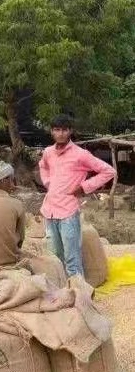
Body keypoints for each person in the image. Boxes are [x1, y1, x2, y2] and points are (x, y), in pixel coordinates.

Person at [39, 114, 115, 283]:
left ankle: (79, 298)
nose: (60, 134)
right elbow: (42, 167)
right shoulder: (48, 152)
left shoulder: (81, 154)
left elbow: (109, 171)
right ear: (52, 132)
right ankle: (61, 295)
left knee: (72, 260)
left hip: (68, 212)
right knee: (55, 258)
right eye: (57, 130)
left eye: (64, 130)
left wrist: (84, 187)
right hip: (49, 211)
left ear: (70, 131)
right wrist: (47, 182)